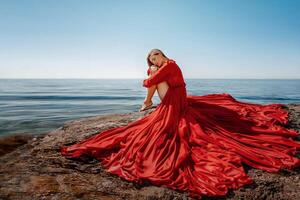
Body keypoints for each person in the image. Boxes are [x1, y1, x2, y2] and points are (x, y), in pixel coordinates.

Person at [60, 48, 300, 199]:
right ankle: (146, 104)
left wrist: (151, 73)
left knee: (154, 97)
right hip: (178, 95)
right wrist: (153, 71)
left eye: (155, 55)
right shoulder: (167, 66)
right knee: (154, 81)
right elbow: (152, 78)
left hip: (176, 100)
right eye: (150, 57)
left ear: (162, 54)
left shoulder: (169, 65)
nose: (153, 58)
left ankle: (146, 104)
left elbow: (147, 82)